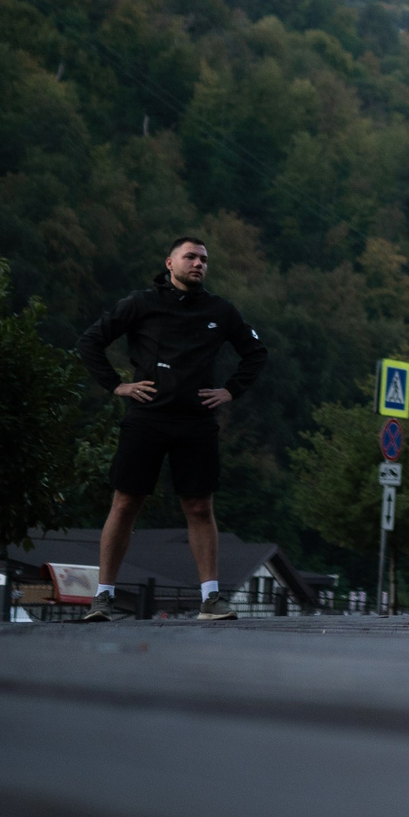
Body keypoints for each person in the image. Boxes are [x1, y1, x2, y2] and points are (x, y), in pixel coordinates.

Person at [77, 236, 269, 621]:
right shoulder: (140, 303)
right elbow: (91, 341)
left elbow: (255, 352)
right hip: (146, 417)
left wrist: (230, 390)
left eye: (203, 259)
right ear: (170, 263)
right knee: (126, 502)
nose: (198, 264)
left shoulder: (220, 310)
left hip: (196, 422)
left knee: (199, 506)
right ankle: (103, 598)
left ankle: (211, 600)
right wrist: (117, 384)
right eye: (190, 257)